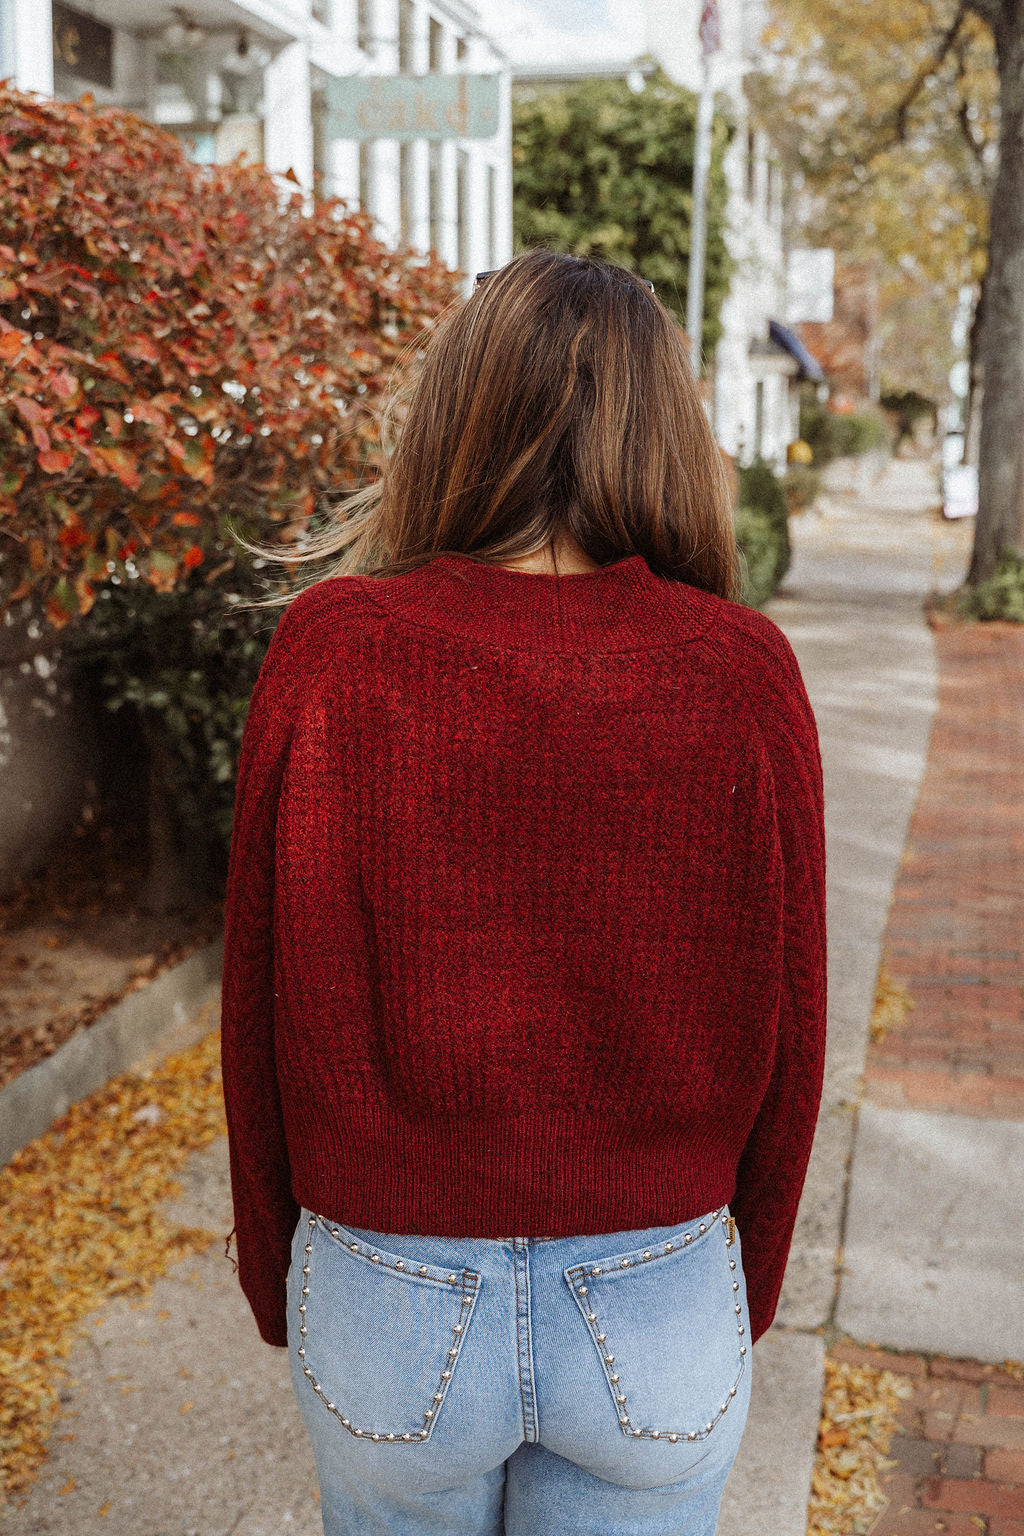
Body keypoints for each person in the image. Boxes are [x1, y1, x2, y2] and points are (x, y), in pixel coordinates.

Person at [219, 248, 828, 1536]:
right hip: (660, 1283)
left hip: (385, 1282)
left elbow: (257, 1007)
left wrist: (282, 1277)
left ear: (454, 413)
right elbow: (793, 1031)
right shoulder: (742, 672)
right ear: (668, 431)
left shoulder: (331, 647)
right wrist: (739, 1289)